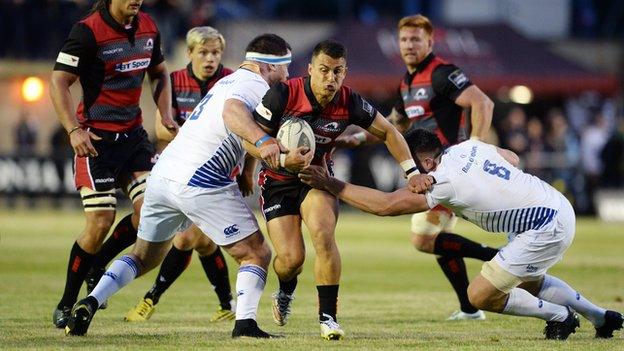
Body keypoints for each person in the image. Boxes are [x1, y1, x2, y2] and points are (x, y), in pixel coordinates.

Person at [64, 33, 310, 339]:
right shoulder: (255, 85)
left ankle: (91, 300)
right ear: (267, 66)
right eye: (284, 67)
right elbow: (233, 113)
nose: (287, 75)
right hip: (202, 180)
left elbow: (240, 133)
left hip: (163, 174)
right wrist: (265, 141)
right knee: (256, 253)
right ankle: (245, 325)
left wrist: (267, 158)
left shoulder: (227, 82)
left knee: (144, 257)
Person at [300, 128, 624, 340]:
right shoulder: (467, 146)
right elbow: (512, 158)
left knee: (479, 296)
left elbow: (385, 205)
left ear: (425, 161)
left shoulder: (441, 181)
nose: (407, 171)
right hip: (554, 205)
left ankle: (560, 317)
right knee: (529, 279)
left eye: (409, 164)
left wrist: (331, 184)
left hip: (542, 225)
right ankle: (601, 318)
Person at [230, 39, 432, 340]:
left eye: (338, 72)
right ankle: (286, 290)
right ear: (310, 69)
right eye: (324, 70)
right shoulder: (283, 94)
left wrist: (412, 172)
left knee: (324, 234)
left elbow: (389, 131)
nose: (330, 78)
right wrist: (258, 166)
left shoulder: (349, 101)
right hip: (278, 183)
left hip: (317, 179)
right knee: (290, 261)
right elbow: (251, 138)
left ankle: (328, 318)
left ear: (345, 72)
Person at [340, 14, 497, 321]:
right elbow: (392, 126)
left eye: (415, 39)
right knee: (438, 239)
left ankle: (496, 258)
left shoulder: (441, 73)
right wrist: (353, 139)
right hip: (432, 172)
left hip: (449, 169)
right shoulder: (407, 83)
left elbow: (483, 103)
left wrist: (475, 147)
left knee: (423, 237)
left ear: (430, 41)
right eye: (404, 39)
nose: (409, 45)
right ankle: (470, 308)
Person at [86, 26, 238, 323]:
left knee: (187, 239)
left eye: (216, 52)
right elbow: (159, 129)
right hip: (177, 170)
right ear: (189, 53)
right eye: (204, 52)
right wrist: (195, 140)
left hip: (216, 173)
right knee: (203, 242)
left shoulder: (230, 82)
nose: (210, 59)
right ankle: (226, 305)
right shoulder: (173, 81)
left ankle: (149, 299)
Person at [49, 0, 178, 328]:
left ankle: (99, 266)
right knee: (100, 222)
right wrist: (73, 130)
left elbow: (159, 72)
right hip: (97, 142)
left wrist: (165, 113)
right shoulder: (87, 31)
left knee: (149, 210)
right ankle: (66, 302)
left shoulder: (148, 26)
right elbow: (58, 82)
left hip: (133, 138)